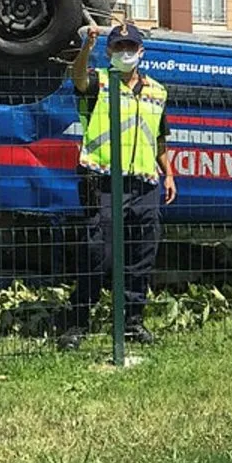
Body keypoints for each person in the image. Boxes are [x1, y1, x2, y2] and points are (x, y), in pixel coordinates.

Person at [57, 24, 177, 349]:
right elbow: (77, 78)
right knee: (99, 253)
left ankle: (132, 322)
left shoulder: (157, 91)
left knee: (142, 254)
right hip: (103, 181)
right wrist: (87, 46)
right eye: (118, 46)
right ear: (109, 52)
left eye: (130, 46)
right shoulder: (100, 82)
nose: (125, 51)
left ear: (141, 51)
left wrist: (168, 173)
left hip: (144, 183)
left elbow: (159, 137)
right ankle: (78, 321)